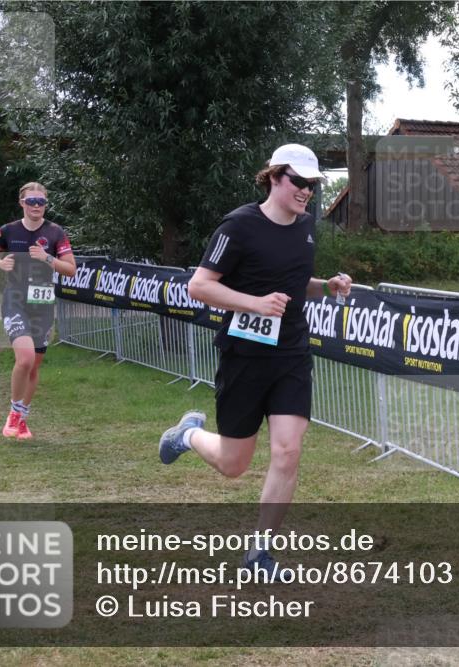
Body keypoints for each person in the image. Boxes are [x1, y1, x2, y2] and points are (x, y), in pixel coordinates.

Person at [158, 144, 351, 578]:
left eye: (312, 185)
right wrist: (254, 304)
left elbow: (296, 285)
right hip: (244, 355)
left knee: (288, 451)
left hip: (291, 354)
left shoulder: (305, 228)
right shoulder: (239, 225)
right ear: (275, 177)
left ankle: (259, 554)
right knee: (234, 464)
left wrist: (329, 286)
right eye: (299, 182)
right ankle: (187, 435)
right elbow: (200, 286)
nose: (307, 192)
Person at [0, 182, 77, 440]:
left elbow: (71, 268)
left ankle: (22, 419)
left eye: (41, 201)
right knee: (24, 359)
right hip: (15, 300)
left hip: (43, 304)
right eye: (32, 201)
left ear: (46, 204)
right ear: (22, 203)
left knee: (34, 367)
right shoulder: (7, 230)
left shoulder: (56, 232)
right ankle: (14, 414)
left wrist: (46, 258)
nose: (37, 206)